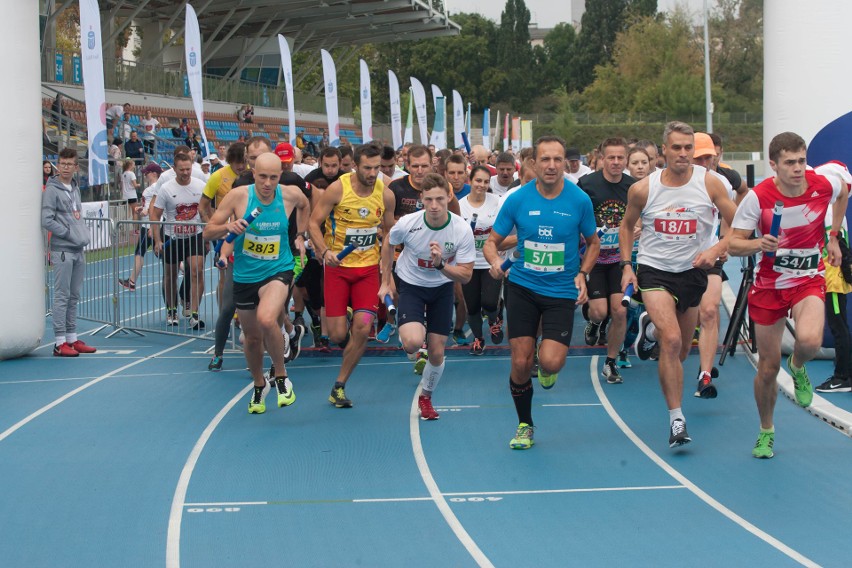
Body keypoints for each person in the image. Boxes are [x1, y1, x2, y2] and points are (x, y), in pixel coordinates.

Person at [728, 133, 848, 458]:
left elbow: (843, 193)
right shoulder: (759, 197)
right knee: (767, 368)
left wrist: (833, 236)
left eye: (801, 160)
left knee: (809, 341)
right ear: (774, 165)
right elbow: (733, 242)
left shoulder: (823, 183)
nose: (798, 168)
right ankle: (766, 430)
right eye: (790, 163)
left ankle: (797, 367)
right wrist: (758, 244)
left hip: (808, 279)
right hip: (769, 286)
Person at [620, 121, 738, 448]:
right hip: (655, 271)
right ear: (664, 151)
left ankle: (652, 330)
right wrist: (628, 266)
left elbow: (739, 222)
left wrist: (716, 249)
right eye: (677, 148)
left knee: (683, 350)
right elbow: (626, 227)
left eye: (688, 148)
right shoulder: (644, 188)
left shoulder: (711, 184)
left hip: (693, 273)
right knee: (672, 342)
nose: (683, 154)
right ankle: (676, 418)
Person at [483, 135, 600, 449]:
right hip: (522, 287)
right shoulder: (518, 200)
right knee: (520, 362)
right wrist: (494, 262)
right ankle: (525, 424)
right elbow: (491, 242)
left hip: (561, 292)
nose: (551, 166)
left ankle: (548, 366)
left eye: (557, 160)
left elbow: (594, 244)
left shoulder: (579, 201)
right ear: (533, 163)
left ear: (565, 163)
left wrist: (583, 274)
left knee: (551, 362)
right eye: (545, 159)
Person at [204, 153, 309, 414]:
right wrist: (230, 227)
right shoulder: (238, 196)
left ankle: (282, 377)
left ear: (280, 176)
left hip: (278, 270)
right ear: (253, 173)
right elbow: (208, 231)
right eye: (262, 177)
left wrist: (300, 236)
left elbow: (306, 205)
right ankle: (259, 384)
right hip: (245, 276)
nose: (267, 183)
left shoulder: (290, 194)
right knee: (250, 339)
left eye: (273, 177)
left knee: (266, 319)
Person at [379, 173, 476, 419]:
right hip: (411, 285)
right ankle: (413, 340)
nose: (434, 206)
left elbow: (465, 276)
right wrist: (386, 281)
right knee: (412, 342)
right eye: (429, 199)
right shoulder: (409, 223)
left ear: (449, 197)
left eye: (440, 200)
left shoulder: (461, 229)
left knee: (436, 352)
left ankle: (426, 397)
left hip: (442, 288)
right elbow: (389, 242)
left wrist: (441, 264)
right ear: (421, 198)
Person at [308, 143, 395, 407]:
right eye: (367, 168)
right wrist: (323, 252)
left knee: (362, 328)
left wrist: (387, 274)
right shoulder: (338, 189)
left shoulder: (385, 193)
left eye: (377, 168)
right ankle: (345, 315)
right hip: (337, 270)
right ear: (356, 165)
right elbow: (313, 222)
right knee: (336, 335)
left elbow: (389, 234)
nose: (372, 173)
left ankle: (340, 385)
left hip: (368, 271)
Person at [578, 137, 637, 383]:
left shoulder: (634, 187)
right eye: (610, 157)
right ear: (602, 158)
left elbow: (639, 216)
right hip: (594, 259)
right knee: (600, 312)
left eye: (619, 158)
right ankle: (593, 322)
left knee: (620, 311)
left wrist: (638, 228)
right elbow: (577, 216)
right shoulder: (587, 184)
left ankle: (611, 362)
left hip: (620, 260)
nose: (615, 162)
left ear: (626, 159)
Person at [41, 148, 97, 356]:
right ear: (58, 165)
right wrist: (68, 233)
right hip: (63, 249)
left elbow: (76, 215)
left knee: (74, 296)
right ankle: (59, 342)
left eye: (69, 164)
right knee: (62, 296)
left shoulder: (75, 188)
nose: (65, 168)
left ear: (75, 166)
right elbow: (46, 220)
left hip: (78, 249)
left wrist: (80, 234)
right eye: (62, 164)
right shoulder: (52, 190)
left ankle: (72, 338)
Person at [151, 153, 208, 328]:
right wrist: (157, 240)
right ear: (174, 169)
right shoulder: (166, 188)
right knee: (170, 275)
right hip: (172, 238)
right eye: (181, 169)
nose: (185, 172)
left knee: (197, 271)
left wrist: (208, 233)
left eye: (188, 169)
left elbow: (206, 211)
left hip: (194, 235)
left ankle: (195, 313)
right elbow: (155, 214)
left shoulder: (200, 185)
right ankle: (172, 309)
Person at [814, 162, 852, 394]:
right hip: (833, 273)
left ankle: (843, 376)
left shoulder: (827, 207)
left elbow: (836, 245)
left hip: (832, 275)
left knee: (839, 325)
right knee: (840, 324)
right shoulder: (833, 207)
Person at [459, 165, 503, 355]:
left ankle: (494, 320)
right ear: (470, 181)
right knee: (473, 305)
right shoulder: (460, 206)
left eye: (486, 182)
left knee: (490, 302)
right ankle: (478, 338)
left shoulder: (497, 202)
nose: (482, 185)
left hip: (490, 260)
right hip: (468, 262)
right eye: (478, 181)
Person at [119, 162, 162, 291]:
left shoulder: (155, 187)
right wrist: (142, 208)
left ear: (154, 174)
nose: (145, 176)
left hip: (150, 224)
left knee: (141, 252)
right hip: (151, 223)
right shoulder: (154, 187)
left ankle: (131, 282)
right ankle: (131, 281)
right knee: (157, 252)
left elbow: (155, 205)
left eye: (147, 173)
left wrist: (148, 217)